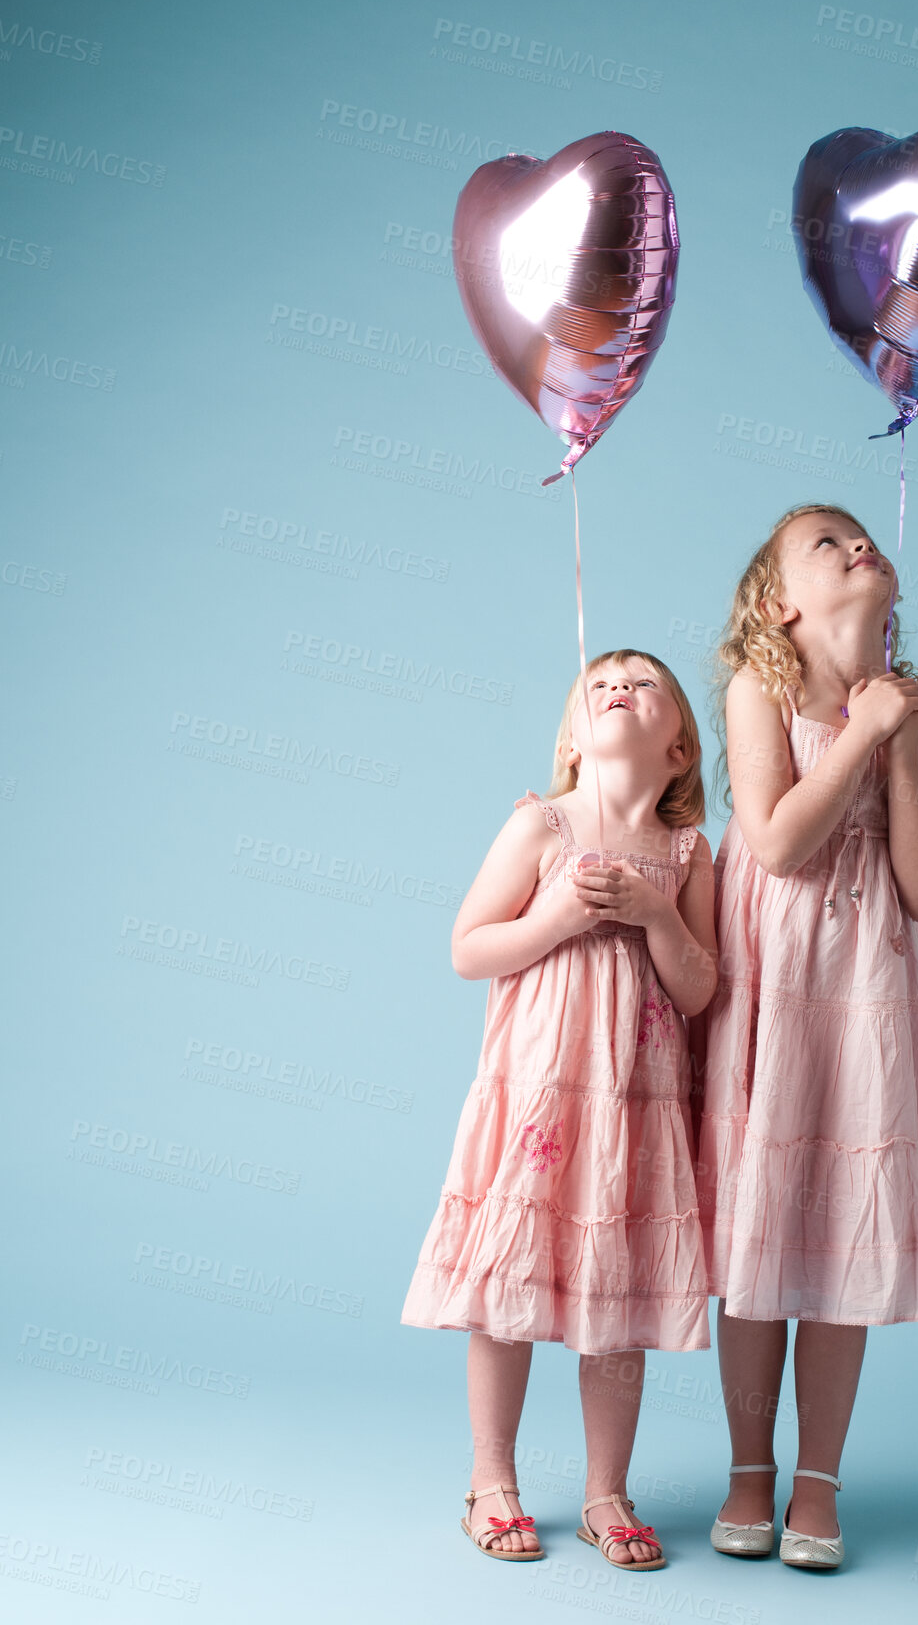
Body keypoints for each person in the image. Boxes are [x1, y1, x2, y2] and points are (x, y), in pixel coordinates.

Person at [402, 650, 718, 1569]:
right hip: (541, 1096)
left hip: (635, 1106)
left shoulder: (686, 852)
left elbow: (700, 988)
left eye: (644, 681)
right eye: (602, 680)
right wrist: (556, 923)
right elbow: (469, 946)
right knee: (508, 1281)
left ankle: (605, 1489)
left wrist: (656, 914)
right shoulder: (540, 826)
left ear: (680, 745)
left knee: (613, 1295)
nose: (619, 684)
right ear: (574, 741)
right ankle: (491, 1478)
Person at [696, 504, 918, 1570]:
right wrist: (855, 729)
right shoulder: (761, 692)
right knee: (765, 1236)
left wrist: (898, 744)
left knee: (842, 1237)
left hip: (867, 1001)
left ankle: (818, 1479)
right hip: (775, 990)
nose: (856, 542)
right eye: (825, 541)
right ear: (781, 604)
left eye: (862, 533)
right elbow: (774, 840)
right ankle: (749, 1470)